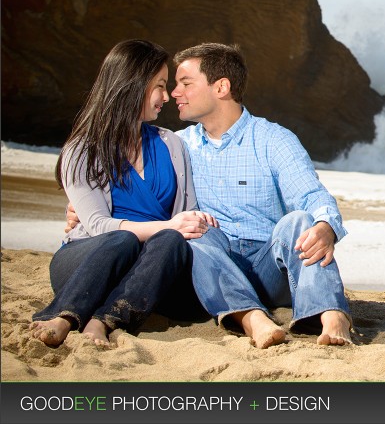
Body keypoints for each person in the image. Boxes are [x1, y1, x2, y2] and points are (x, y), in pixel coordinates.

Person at [73, 42, 354, 348]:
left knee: (300, 220)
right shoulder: (177, 147)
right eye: (173, 85)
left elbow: (312, 196)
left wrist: (326, 227)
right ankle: (252, 320)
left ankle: (332, 315)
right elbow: (132, 187)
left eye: (185, 84)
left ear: (221, 87)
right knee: (197, 233)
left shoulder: (274, 140)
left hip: (269, 267)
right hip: (210, 268)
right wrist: (80, 209)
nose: (174, 94)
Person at [32, 39, 216, 348]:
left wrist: (185, 224)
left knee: (172, 241)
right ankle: (63, 316)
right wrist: (169, 226)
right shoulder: (83, 150)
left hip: (151, 271)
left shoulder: (171, 144)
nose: (166, 97)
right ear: (132, 84)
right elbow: (97, 226)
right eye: (159, 86)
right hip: (91, 264)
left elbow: (184, 214)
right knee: (123, 238)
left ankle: (104, 320)